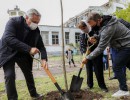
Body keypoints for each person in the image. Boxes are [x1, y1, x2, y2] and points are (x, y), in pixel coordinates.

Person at [0, 9, 48, 100]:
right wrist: (29, 49)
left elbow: (41, 46)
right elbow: (8, 38)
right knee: (10, 75)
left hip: (22, 53)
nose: (36, 24)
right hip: (8, 52)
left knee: (28, 73)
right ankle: (13, 98)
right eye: (34, 21)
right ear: (26, 17)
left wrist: (44, 59)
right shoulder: (13, 22)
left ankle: (34, 94)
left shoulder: (36, 31)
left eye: (37, 22)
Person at [82, 13, 130, 97]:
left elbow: (101, 47)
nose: (92, 27)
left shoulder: (109, 27)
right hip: (124, 45)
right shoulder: (106, 23)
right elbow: (102, 34)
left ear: (99, 20)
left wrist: (88, 57)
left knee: (117, 66)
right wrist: (96, 37)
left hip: (126, 45)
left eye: (92, 25)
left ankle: (123, 89)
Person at [78, 20, 108, 92]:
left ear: (87, 26)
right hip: (87, 55)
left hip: (96, 54)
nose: (83, 30)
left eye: (84, 28)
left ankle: (102, 86)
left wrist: (95, 41)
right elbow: (82, 45)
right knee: (88, 70)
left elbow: (100, 42)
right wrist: (84, 52)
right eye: (81, 29)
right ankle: (89, 85)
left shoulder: (95, 30)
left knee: (98, 70)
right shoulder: (82, 34)